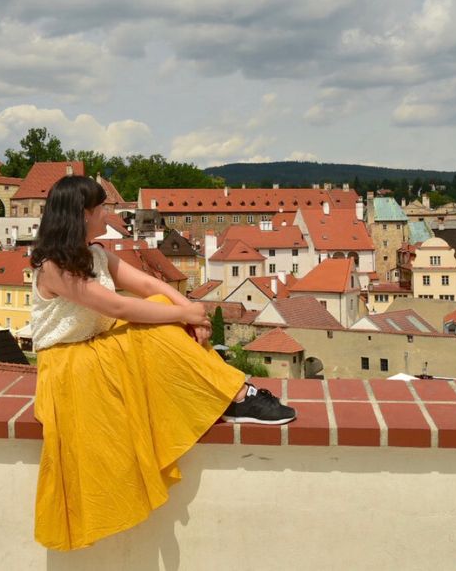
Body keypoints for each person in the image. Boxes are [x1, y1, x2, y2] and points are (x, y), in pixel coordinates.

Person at [30, 175, 295, 551]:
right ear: (82, 214)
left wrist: (189, 311)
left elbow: (152, 286)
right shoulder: (54, 267)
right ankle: (236, 395)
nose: (107, 213)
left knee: (160, 309)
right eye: (101, 208)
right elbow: (118, 306)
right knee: (155, 323)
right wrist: (183, 315)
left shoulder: (97, 255)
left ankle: (234, 392)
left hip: (96, 346)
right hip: (67, 362)